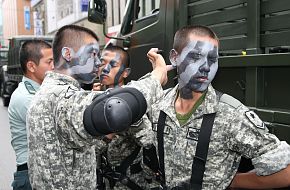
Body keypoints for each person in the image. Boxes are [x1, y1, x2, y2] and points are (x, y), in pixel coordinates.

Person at [144, 25, 290, 189]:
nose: (206, 67)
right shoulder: (158, 105)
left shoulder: (231, 115)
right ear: (174, 57)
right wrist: (155, 77)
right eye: (196, 56)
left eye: (212, 59)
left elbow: (286, 172)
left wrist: (234, 182)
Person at [26, 24, 168, 189]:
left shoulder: (46, 93)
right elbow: (115, 107)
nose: (99, 62)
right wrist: (157, 76)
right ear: (67, 54)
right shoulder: (61, 98)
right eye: (92, 53)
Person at [93, 45, 157, 190]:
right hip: (106, 179)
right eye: (102, 63)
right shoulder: (94, 99)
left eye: (113, 65)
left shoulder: (129, 104)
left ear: (126, 73)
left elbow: (149, 144)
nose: (105, 69)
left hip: (129, 181)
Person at [8, 39, 54, 190]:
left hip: (41, 171)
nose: (54, 67)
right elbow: (56, 130)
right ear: (31, 66)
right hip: (30, 175)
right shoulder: (26, 98)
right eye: (49, 62)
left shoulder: (40, 91)